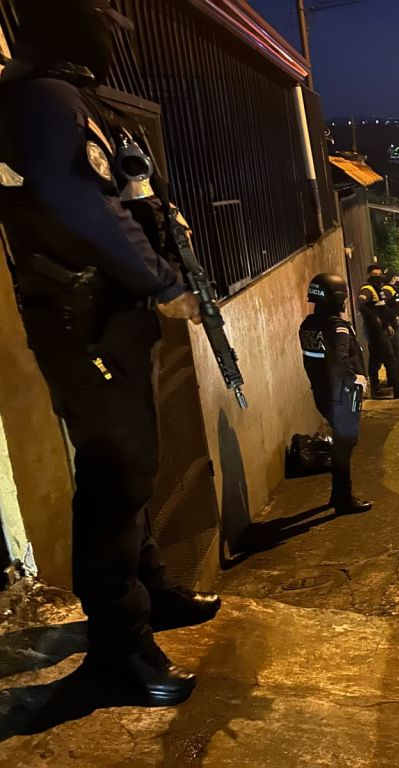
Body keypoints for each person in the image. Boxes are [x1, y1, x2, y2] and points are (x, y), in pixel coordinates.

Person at [0, 0, 220, 706]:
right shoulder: (43, 100)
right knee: (114, 477)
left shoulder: (75, 99)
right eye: (101, 28)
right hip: (85, 322)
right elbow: (78, 203)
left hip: (109, 317)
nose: (110, 43)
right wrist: (162, 283)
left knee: (133, 468)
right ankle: (119, 649)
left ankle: (146, 595)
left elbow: (127, 194)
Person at [299, 274, 373, 515]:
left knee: (343, 442)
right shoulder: (337, 327)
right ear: (338, 298)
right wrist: (356, 380)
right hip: (341, 395)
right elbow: (340, 361)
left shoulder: (309, 325)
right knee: (345, 444)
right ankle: (343, 499)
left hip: (322, 392)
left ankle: (338, 496)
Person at [357, 264, 399, 399]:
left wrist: (390, 320)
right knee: (390, 359)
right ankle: (398, 390)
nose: (378, 277)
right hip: (375, 331)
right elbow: (362, 305)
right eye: (374, 275)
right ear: (369, 275)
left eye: (379, 274)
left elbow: (382, 309)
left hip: (380, 330)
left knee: (376, 360)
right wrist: (377, 322)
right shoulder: (367, 289)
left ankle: (376, 390)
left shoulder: (377, 289)